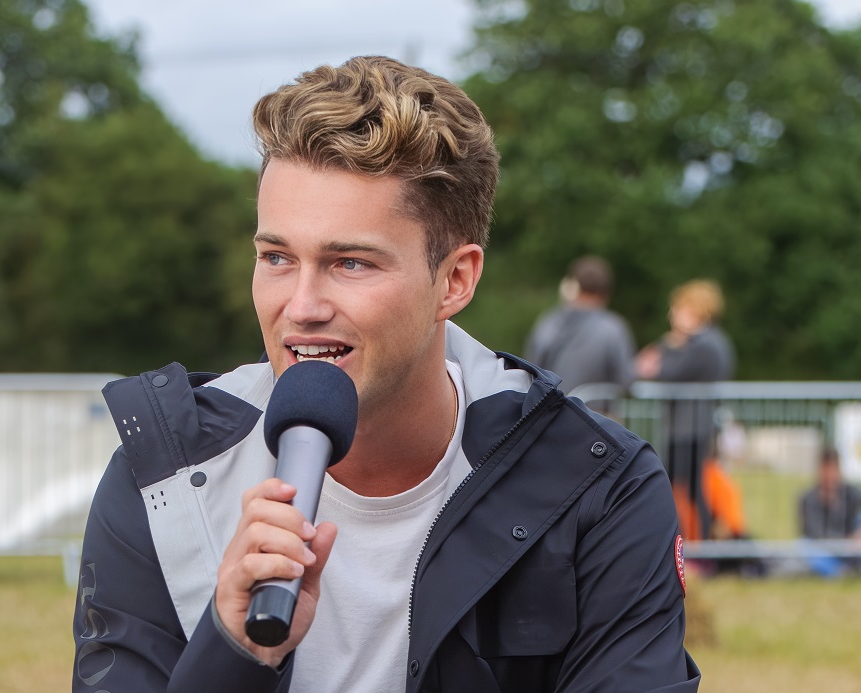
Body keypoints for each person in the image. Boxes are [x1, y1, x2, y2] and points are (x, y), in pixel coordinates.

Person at [72, 56, 700, 692]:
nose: (303, 306)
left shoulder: (597, 488)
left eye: (350, 263)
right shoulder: (164, 476)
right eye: (277, 257)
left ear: (455, 280)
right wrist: (233, 652)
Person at [635, 279, 735, 541]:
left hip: (688, 428)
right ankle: (697, 544)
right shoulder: (711, 342)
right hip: (691, 426)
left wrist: (666, 349)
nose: (673, 315)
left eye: (678, 308)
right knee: (689, 489)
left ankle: (694, 545)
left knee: (673, 488)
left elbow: (669, 372)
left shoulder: (702, 344)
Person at [523, 255, 635, 397]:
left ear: (573, 285)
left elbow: (530, 369)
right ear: (606, 291)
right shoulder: (613, 328)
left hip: (550, 413)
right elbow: (626, 380)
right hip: (594, 416)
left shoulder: (549, 322)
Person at [798, 446, 861, 576]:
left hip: (850, 550)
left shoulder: (852, 494)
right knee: (805, 548)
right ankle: (840, 572)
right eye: (826, 469)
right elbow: (814, 533)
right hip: (824, 550)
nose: (829, 475)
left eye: (833, 469)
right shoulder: (807, 499)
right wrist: (845, 541)